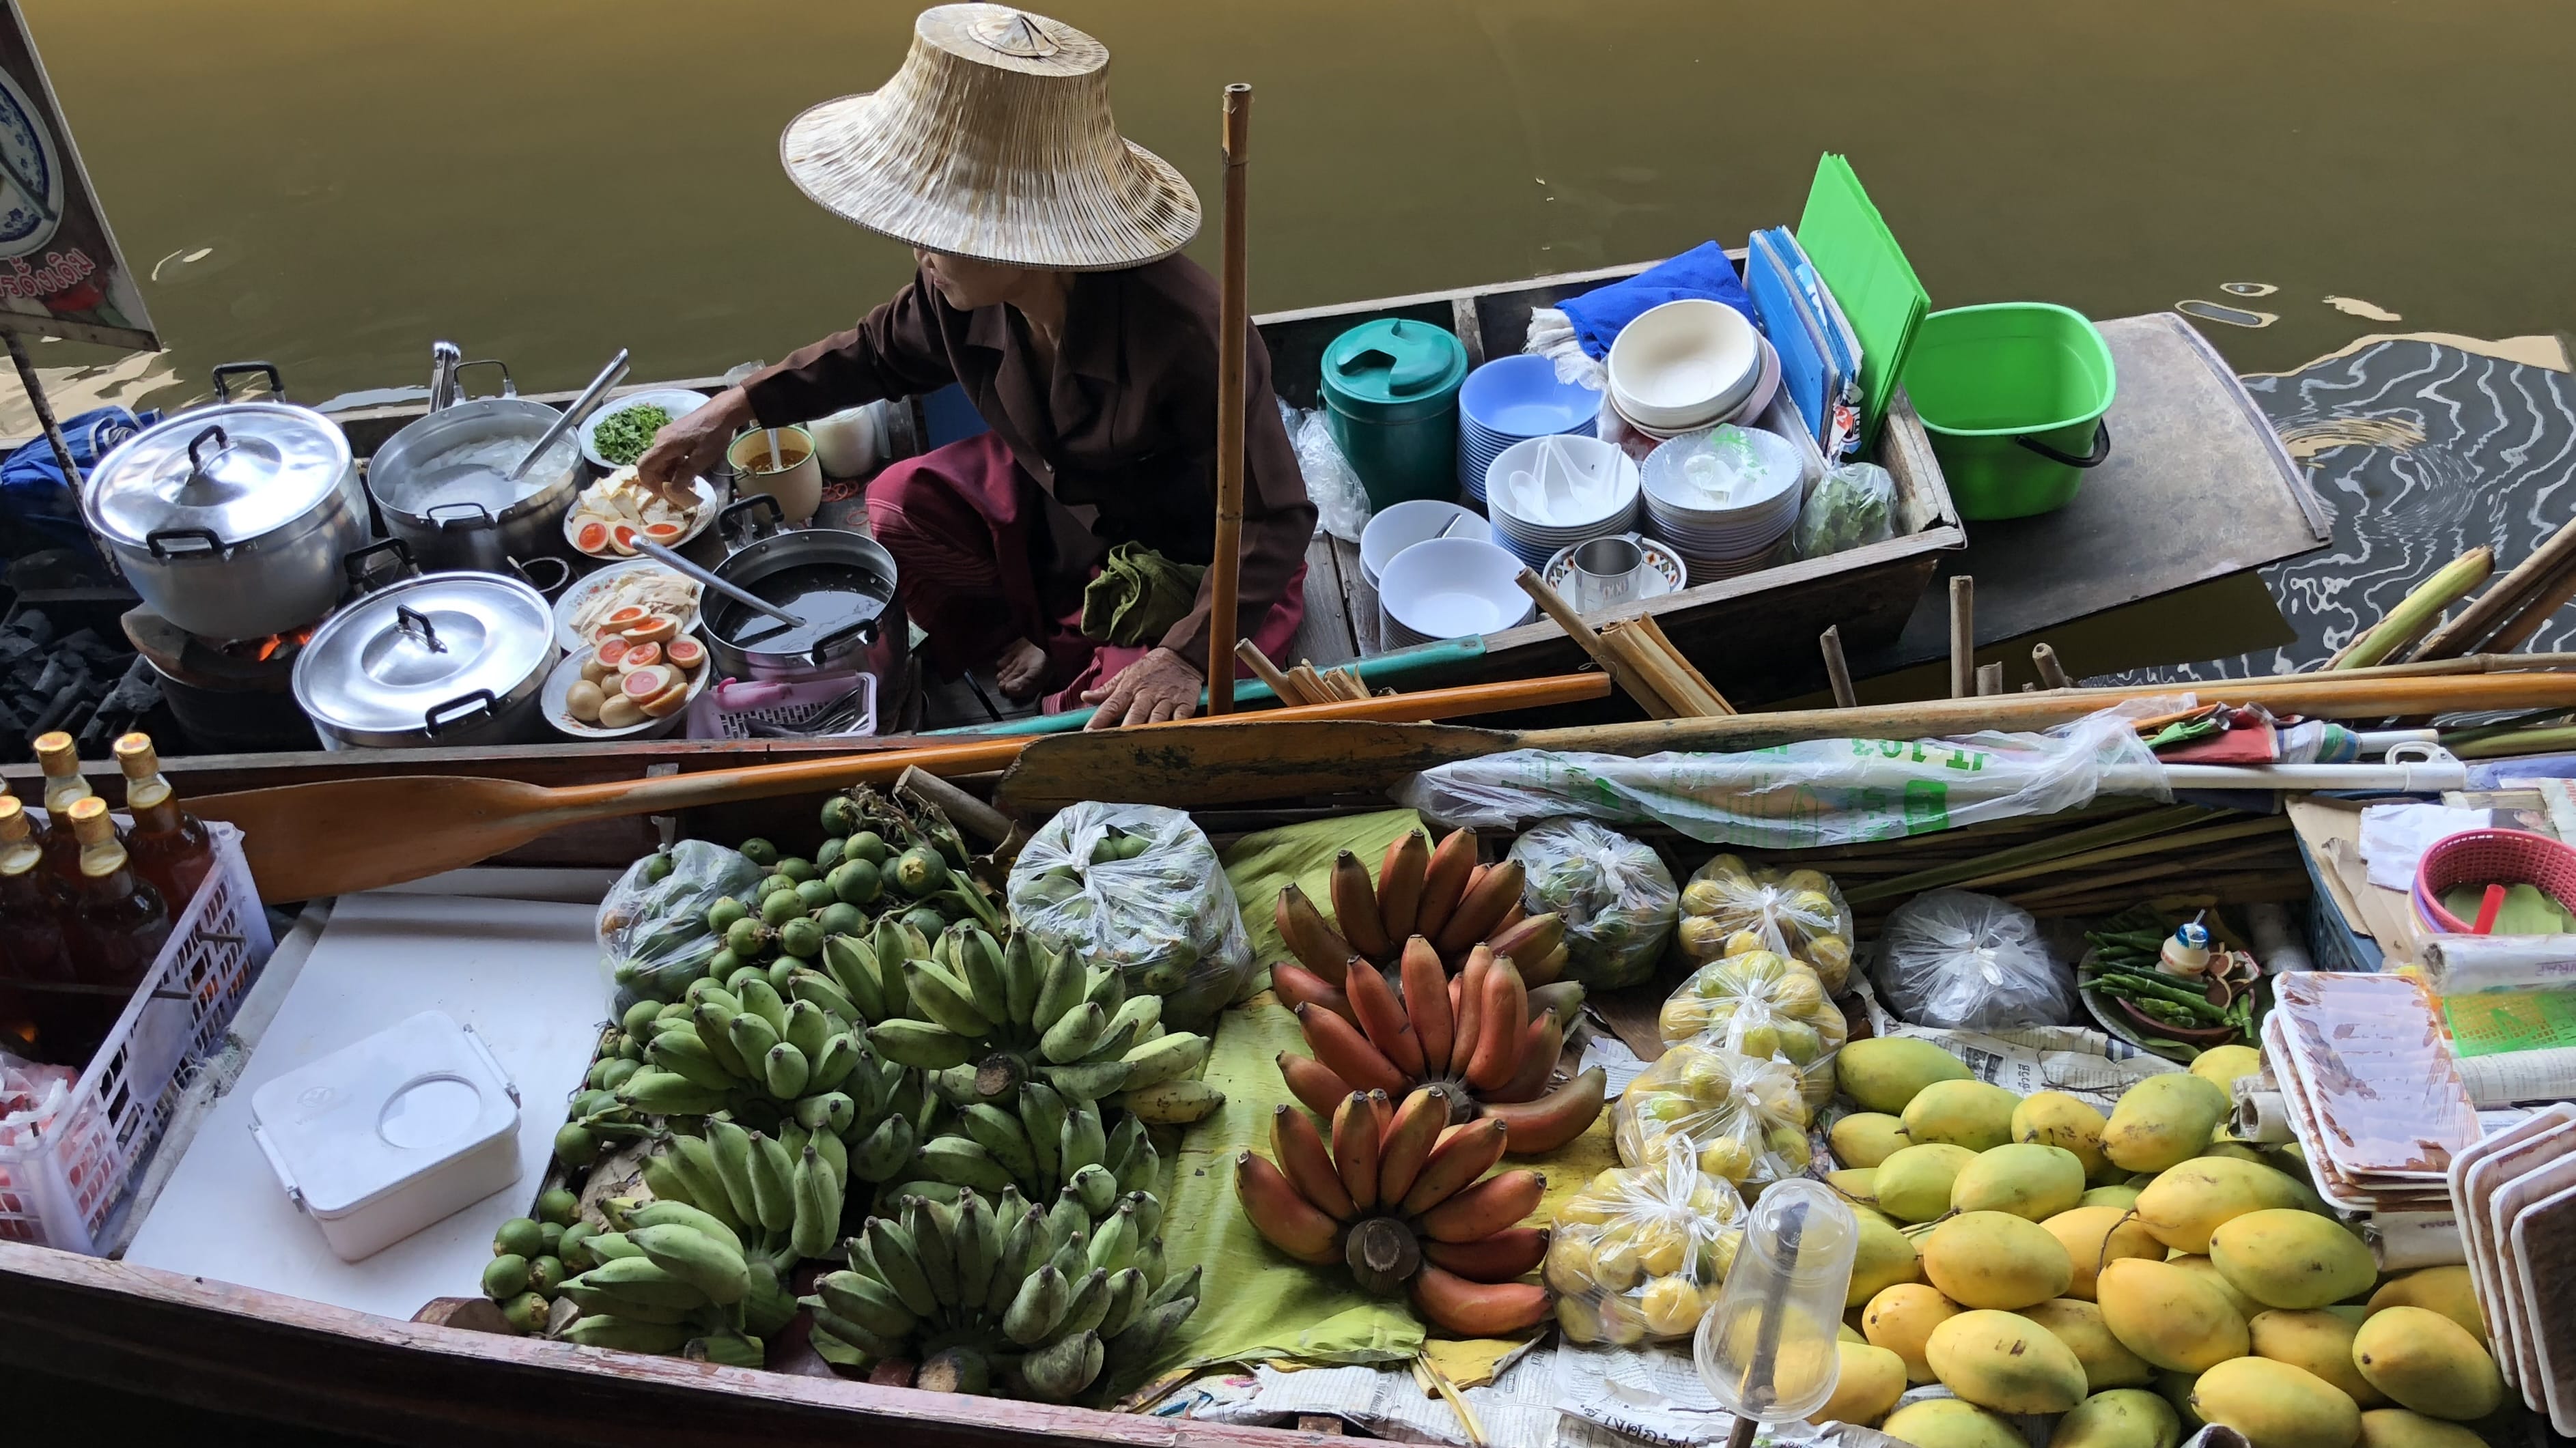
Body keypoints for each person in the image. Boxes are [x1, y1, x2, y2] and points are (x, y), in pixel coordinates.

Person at [640, 4, 1314, 728]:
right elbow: (874, 353)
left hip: (1194, 565)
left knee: (1099, 717)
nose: (922, 255)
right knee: (899, 500)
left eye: (941, 234)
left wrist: (1183, 655)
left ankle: (1079, 657)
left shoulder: (1188, 332)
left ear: (1020, 237)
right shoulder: (956, 293)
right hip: (1063, 516)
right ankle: (1027, 638)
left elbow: (1272, 520)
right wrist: (733, 406)